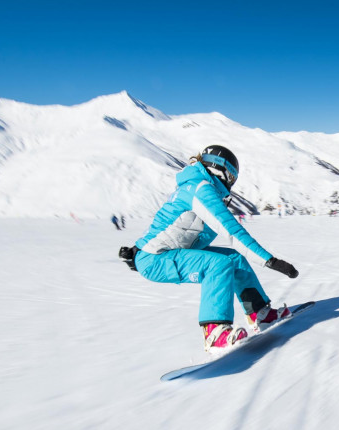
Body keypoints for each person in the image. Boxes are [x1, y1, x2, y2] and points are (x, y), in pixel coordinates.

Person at [119, 145, 299, 352]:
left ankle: (260, 314)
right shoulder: (200, 189)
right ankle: (215, 333)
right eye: (231, 175)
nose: (231, 182)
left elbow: (171, 227)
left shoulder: (197, 186)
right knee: (218, 264)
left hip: (160, 253)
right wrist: (270, 261)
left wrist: (137, 250)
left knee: (234, 258)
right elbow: (231, 231)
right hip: (156, 258)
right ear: (219, 169)